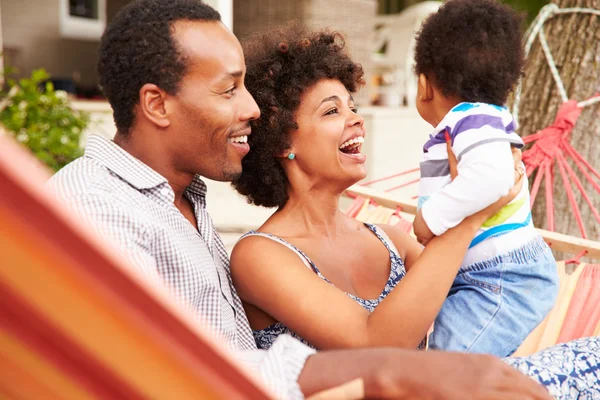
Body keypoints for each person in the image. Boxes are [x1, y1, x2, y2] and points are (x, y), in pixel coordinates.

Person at [44, 0, 578, 399]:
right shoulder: (94, 208)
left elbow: (488, 295)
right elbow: (168, 368)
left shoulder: (187, 204)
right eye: (230, 89)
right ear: (157, 105)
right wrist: (467, 213)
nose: (252, 109)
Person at [229, 22, 600, 399]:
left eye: (353, 106)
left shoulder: (389, 240)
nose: (356, 118)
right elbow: (375, 347)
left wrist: (495, 184)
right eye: (332, 112)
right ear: (280, 139)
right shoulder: (260, 255)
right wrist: (470, 210)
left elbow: (485, 291)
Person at [410, 0, 559, 356]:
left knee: (446, 370)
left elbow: (494, 180)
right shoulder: (474, 122)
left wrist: (429, 219)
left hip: (502, 276)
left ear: (424, 85)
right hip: (487, 276)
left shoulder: (470, 119)